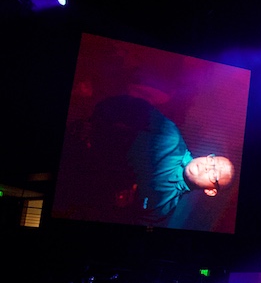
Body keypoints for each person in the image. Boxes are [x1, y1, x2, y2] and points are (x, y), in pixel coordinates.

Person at [87, 94, 235, 226]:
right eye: (212, 161)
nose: (208, 166)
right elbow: (128, 106)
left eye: (214, 174)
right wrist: (93, 125)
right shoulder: (170, 138)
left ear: (210, 191)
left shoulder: (163, 210)